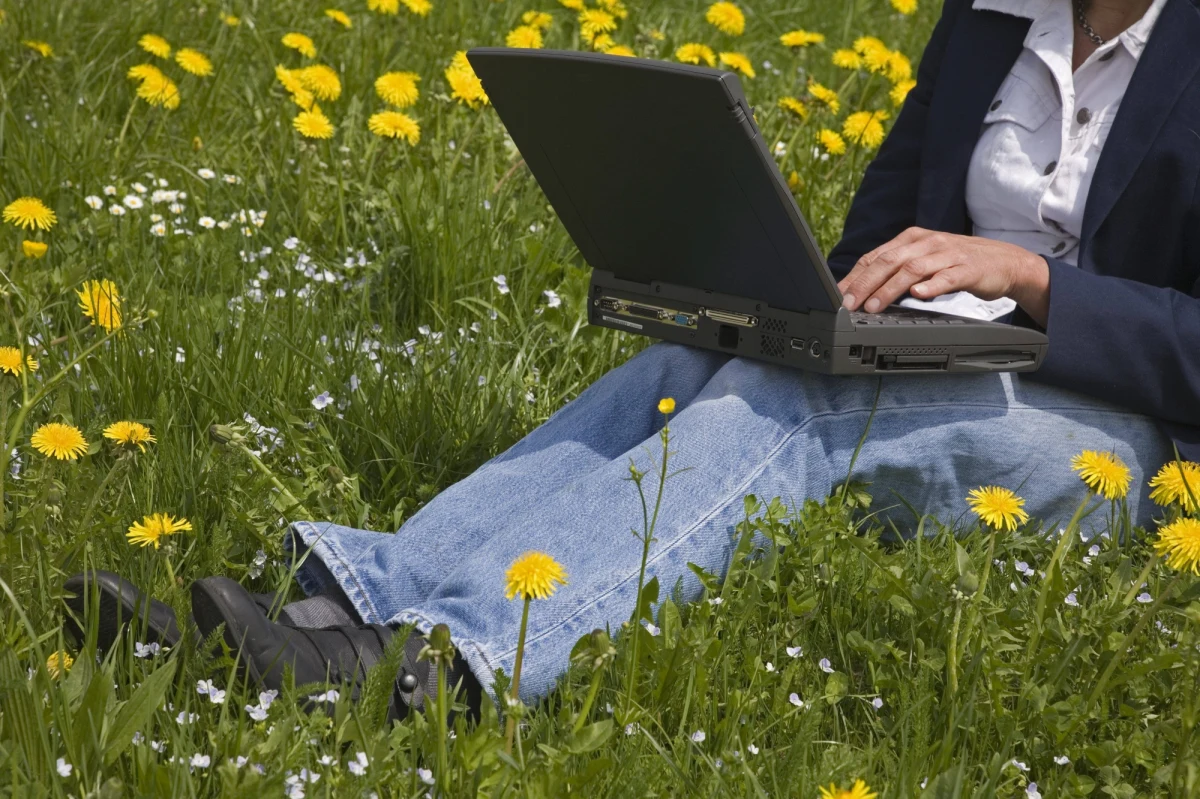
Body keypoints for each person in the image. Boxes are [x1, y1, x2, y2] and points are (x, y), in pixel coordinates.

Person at [66, 0, 1199, 720]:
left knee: (802, 399)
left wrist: (1035, 281)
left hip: (1122, 430)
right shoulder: (991, 18)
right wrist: (794, 290)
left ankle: (447, 667)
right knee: (686, 368)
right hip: (940, 364)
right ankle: (339, 607)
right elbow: (877, 242)